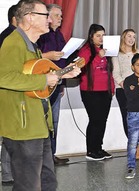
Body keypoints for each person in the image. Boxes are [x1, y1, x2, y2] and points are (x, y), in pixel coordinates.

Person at [0, 0, 80, 189]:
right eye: (45, 15)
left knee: (47, 181)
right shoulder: (13, 42)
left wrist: (61, 75)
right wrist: (44, 81)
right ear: (29, 18)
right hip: (23, 127)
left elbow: (36, 76)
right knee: (28, 184)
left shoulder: (33, 45)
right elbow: (4, 77)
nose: (50, 20)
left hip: (38, 124)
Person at [35, 3, 69, 165]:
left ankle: (51, 156)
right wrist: (48, 55)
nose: (60, 19)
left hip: (57, 83)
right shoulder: (41, 35)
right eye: (57, 16)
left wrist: (61, 85)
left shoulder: (59, 35)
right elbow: (32, 57)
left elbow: (61, 61)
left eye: (61, 16)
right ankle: (40, 158)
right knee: (42, 122)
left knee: (54, 122)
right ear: (47, 17)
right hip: (41, 84)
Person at [78, 24, 115, 161]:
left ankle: (98, 148)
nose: (101, 38)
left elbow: (108, 71)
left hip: (105, 91)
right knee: (95, 120)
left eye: (103, 35)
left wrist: (112, 87)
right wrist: (98, 56)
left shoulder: (105, 50)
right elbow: (82, 67)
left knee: (102, 120)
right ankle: (91, 151)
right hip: (90, 91)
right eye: (98, 35)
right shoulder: (86, 50)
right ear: (91, 36)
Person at [0, 4, 18, 184]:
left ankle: (8, 172)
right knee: (8, 135)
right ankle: (6, 173)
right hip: (6, 93)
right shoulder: (9, 38)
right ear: (16, 18)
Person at [113, 29, 139, 138]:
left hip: (138, 90)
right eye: (129, 36)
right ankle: (133, 143)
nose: (131, 39)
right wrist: (126, 86)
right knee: (128, 117)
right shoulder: (117, 54)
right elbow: (115, 73)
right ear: (123, 37)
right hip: (123, 90)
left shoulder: (138, 53)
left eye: (134, 37)